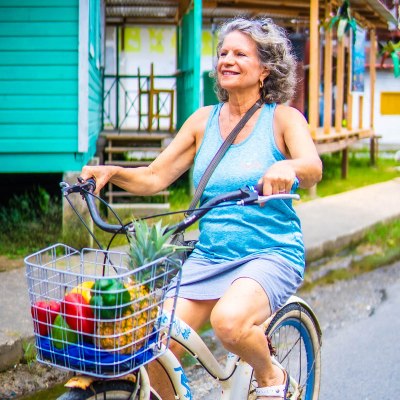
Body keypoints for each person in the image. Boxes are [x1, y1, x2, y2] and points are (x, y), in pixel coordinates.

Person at [81, 16, 322, 400]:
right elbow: (155, 176)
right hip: (210, 255)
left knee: (228, 323)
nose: (226, 59)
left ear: (265, 69)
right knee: (153, 344)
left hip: (269, 253)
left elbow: (312, 169)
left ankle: (271, 376)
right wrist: (113, 172)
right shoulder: (202, 121)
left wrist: (286, 166)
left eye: (240, 54)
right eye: (223, 52)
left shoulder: (283, 119)